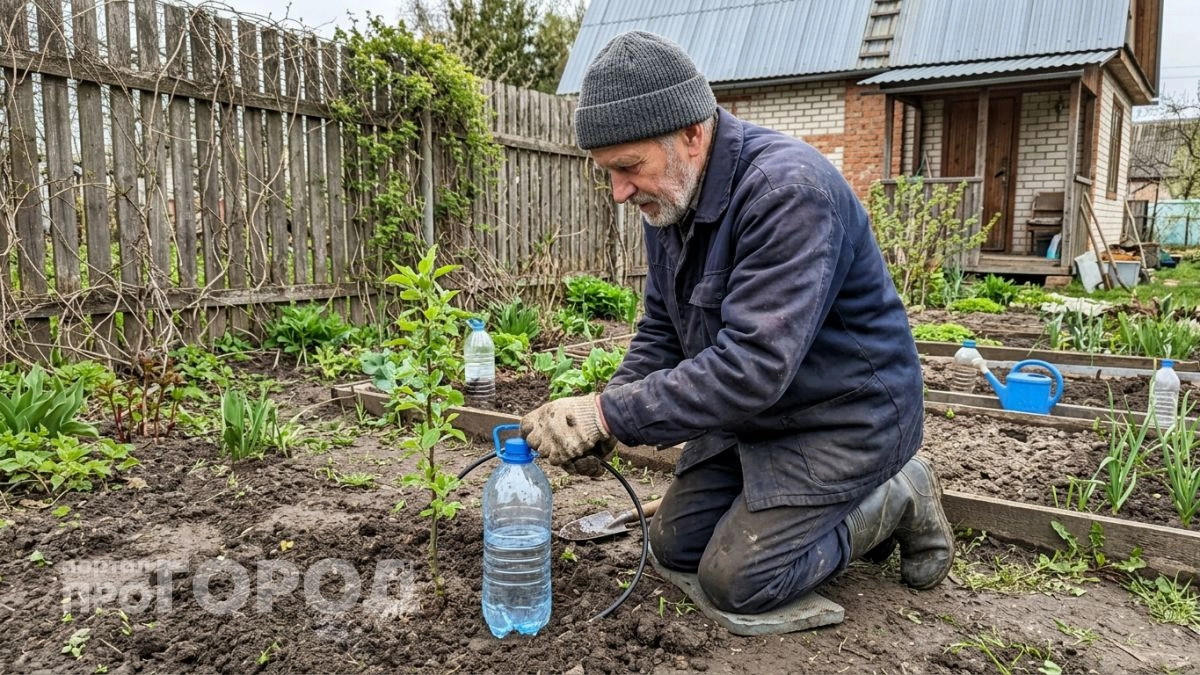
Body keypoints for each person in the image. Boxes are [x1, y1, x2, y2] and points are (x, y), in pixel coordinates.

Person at [520, 30, 953, 615]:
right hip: (756, 417)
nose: (619, 192)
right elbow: (663, 332)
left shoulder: (786, 193)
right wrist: (609, 417)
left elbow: (753, 366)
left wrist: (609, 412)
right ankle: (784, 505)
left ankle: (898, 493)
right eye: (609, 172)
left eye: (628, 167)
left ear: (691, 134)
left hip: (845, 418)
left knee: (738, 581)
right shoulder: (670, 201)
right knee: (673, 546)